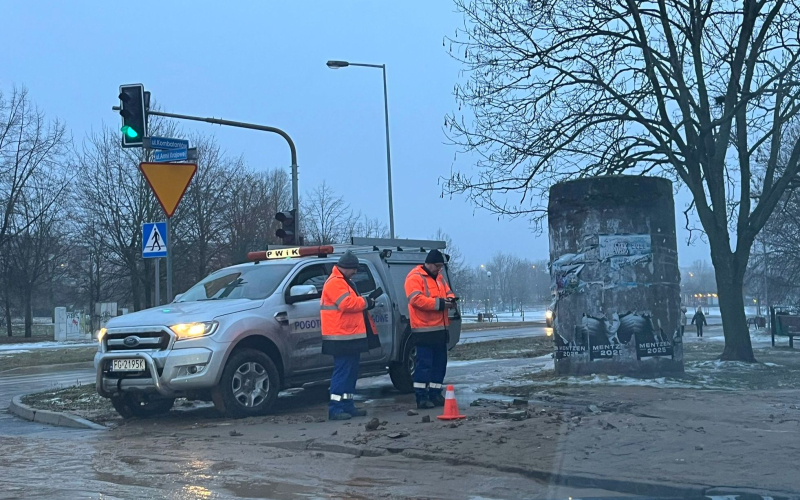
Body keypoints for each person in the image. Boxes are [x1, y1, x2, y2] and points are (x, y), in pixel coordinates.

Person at [320, 251, 380, 420]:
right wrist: (366, 302)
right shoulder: (335, 283)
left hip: (348, 335)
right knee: (343, 372)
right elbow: (346, 304)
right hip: (340, 336)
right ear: (346, 267)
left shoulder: (345, 282)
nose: (355, 272)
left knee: (350, 372)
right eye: (354, 269)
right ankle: (336, 408)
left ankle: (347, 405)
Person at [405, 249, 456, 409]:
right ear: (429, 263)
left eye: (441, 266)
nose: (439, 269)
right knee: (424, 365)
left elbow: (449, 292)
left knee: (439, 364)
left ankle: (435, 393)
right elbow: (416, 300)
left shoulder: (439, 278)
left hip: (440, 329)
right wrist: (440, 304)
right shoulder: (415, 278)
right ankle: (421, 397)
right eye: (437, 266)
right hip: (424, 330)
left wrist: (451, 300)